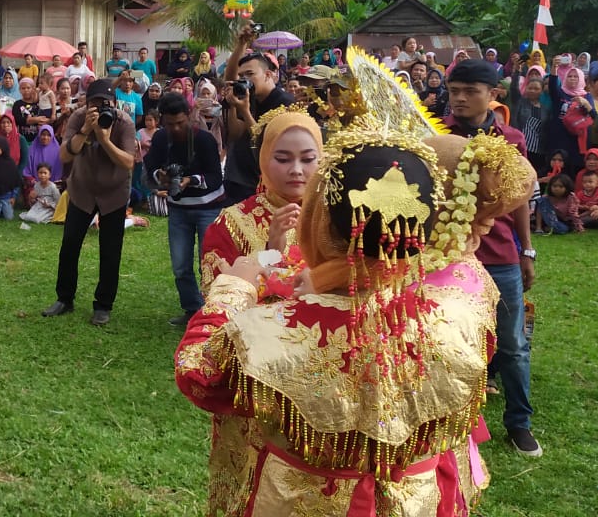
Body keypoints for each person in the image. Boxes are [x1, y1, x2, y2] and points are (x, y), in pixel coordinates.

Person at [175, 131, 498, 515]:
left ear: (321, 223)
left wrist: (235, 287)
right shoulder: (467, 301)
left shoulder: (270, 330)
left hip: (302, 500)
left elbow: (198, 373)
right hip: (417, 498)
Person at [190, 110, 322, 515]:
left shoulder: (338, 222)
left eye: (308, 158)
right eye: (283, 159)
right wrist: (270, 249)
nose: (296, 170)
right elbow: (222, 302)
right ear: (263, 159)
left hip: (322, 380)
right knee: (250, 484)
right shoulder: (230, 224)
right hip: (254, 383)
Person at [443, 59, 541, 456]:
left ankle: (519, 423)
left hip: (499, 253)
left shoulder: (512, 139)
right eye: (454, 92)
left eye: (470, 92)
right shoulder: (436, 134)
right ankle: (454, 424)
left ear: (493, 95)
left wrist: (526, 250)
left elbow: (518, 200)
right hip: (448, 254)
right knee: (450, 341)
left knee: (513, 343)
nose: (460, 99)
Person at [42, 79, 137, 326]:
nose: (100, 107)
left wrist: (104, 139)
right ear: (86, 102)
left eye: (106, 103)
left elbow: (128, 162)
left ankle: (103, 305)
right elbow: (64, 155)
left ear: (114, 103)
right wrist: (85, 130)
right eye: (95, 102)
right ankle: (64, 299)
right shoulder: (78, 117)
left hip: (113, 192)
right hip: (82, 190)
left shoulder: (123, 122)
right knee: (70, 245)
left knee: (110, 251)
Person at [142, 92, 225, 326]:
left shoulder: (204, 140)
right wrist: (161, 176)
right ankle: (192, 310)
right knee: (180, 264)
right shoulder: (160, 138)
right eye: (170, 124)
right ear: (162, 121)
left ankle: (213, 313)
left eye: (180, 123)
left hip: (209, 207)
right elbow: (150, 166)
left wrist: (191, 180)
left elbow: (216, 178)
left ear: (189, 116)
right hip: (178, 209)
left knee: (208, 263)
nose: (176, 128)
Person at [221, 46, 296, 203]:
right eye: (241, 76)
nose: (245, 80)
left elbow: (269, 144)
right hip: (237, 178)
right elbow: (235, 133)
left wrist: (246, 112)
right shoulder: (248, 97)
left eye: (250, 74)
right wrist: (233, 106)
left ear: (268, 74)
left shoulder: (285, 103)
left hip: (265, 183)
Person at [12, 77, 50, 143]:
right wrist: (36, 119)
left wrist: (29, 120)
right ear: (19, 90)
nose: (26, 90)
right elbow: (18, 120)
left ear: (33, 89)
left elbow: (45, 118)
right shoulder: (17, 104)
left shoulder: (39, 103)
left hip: (39, 140)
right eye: (23, 88)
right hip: (22, 140)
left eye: (28, 88)